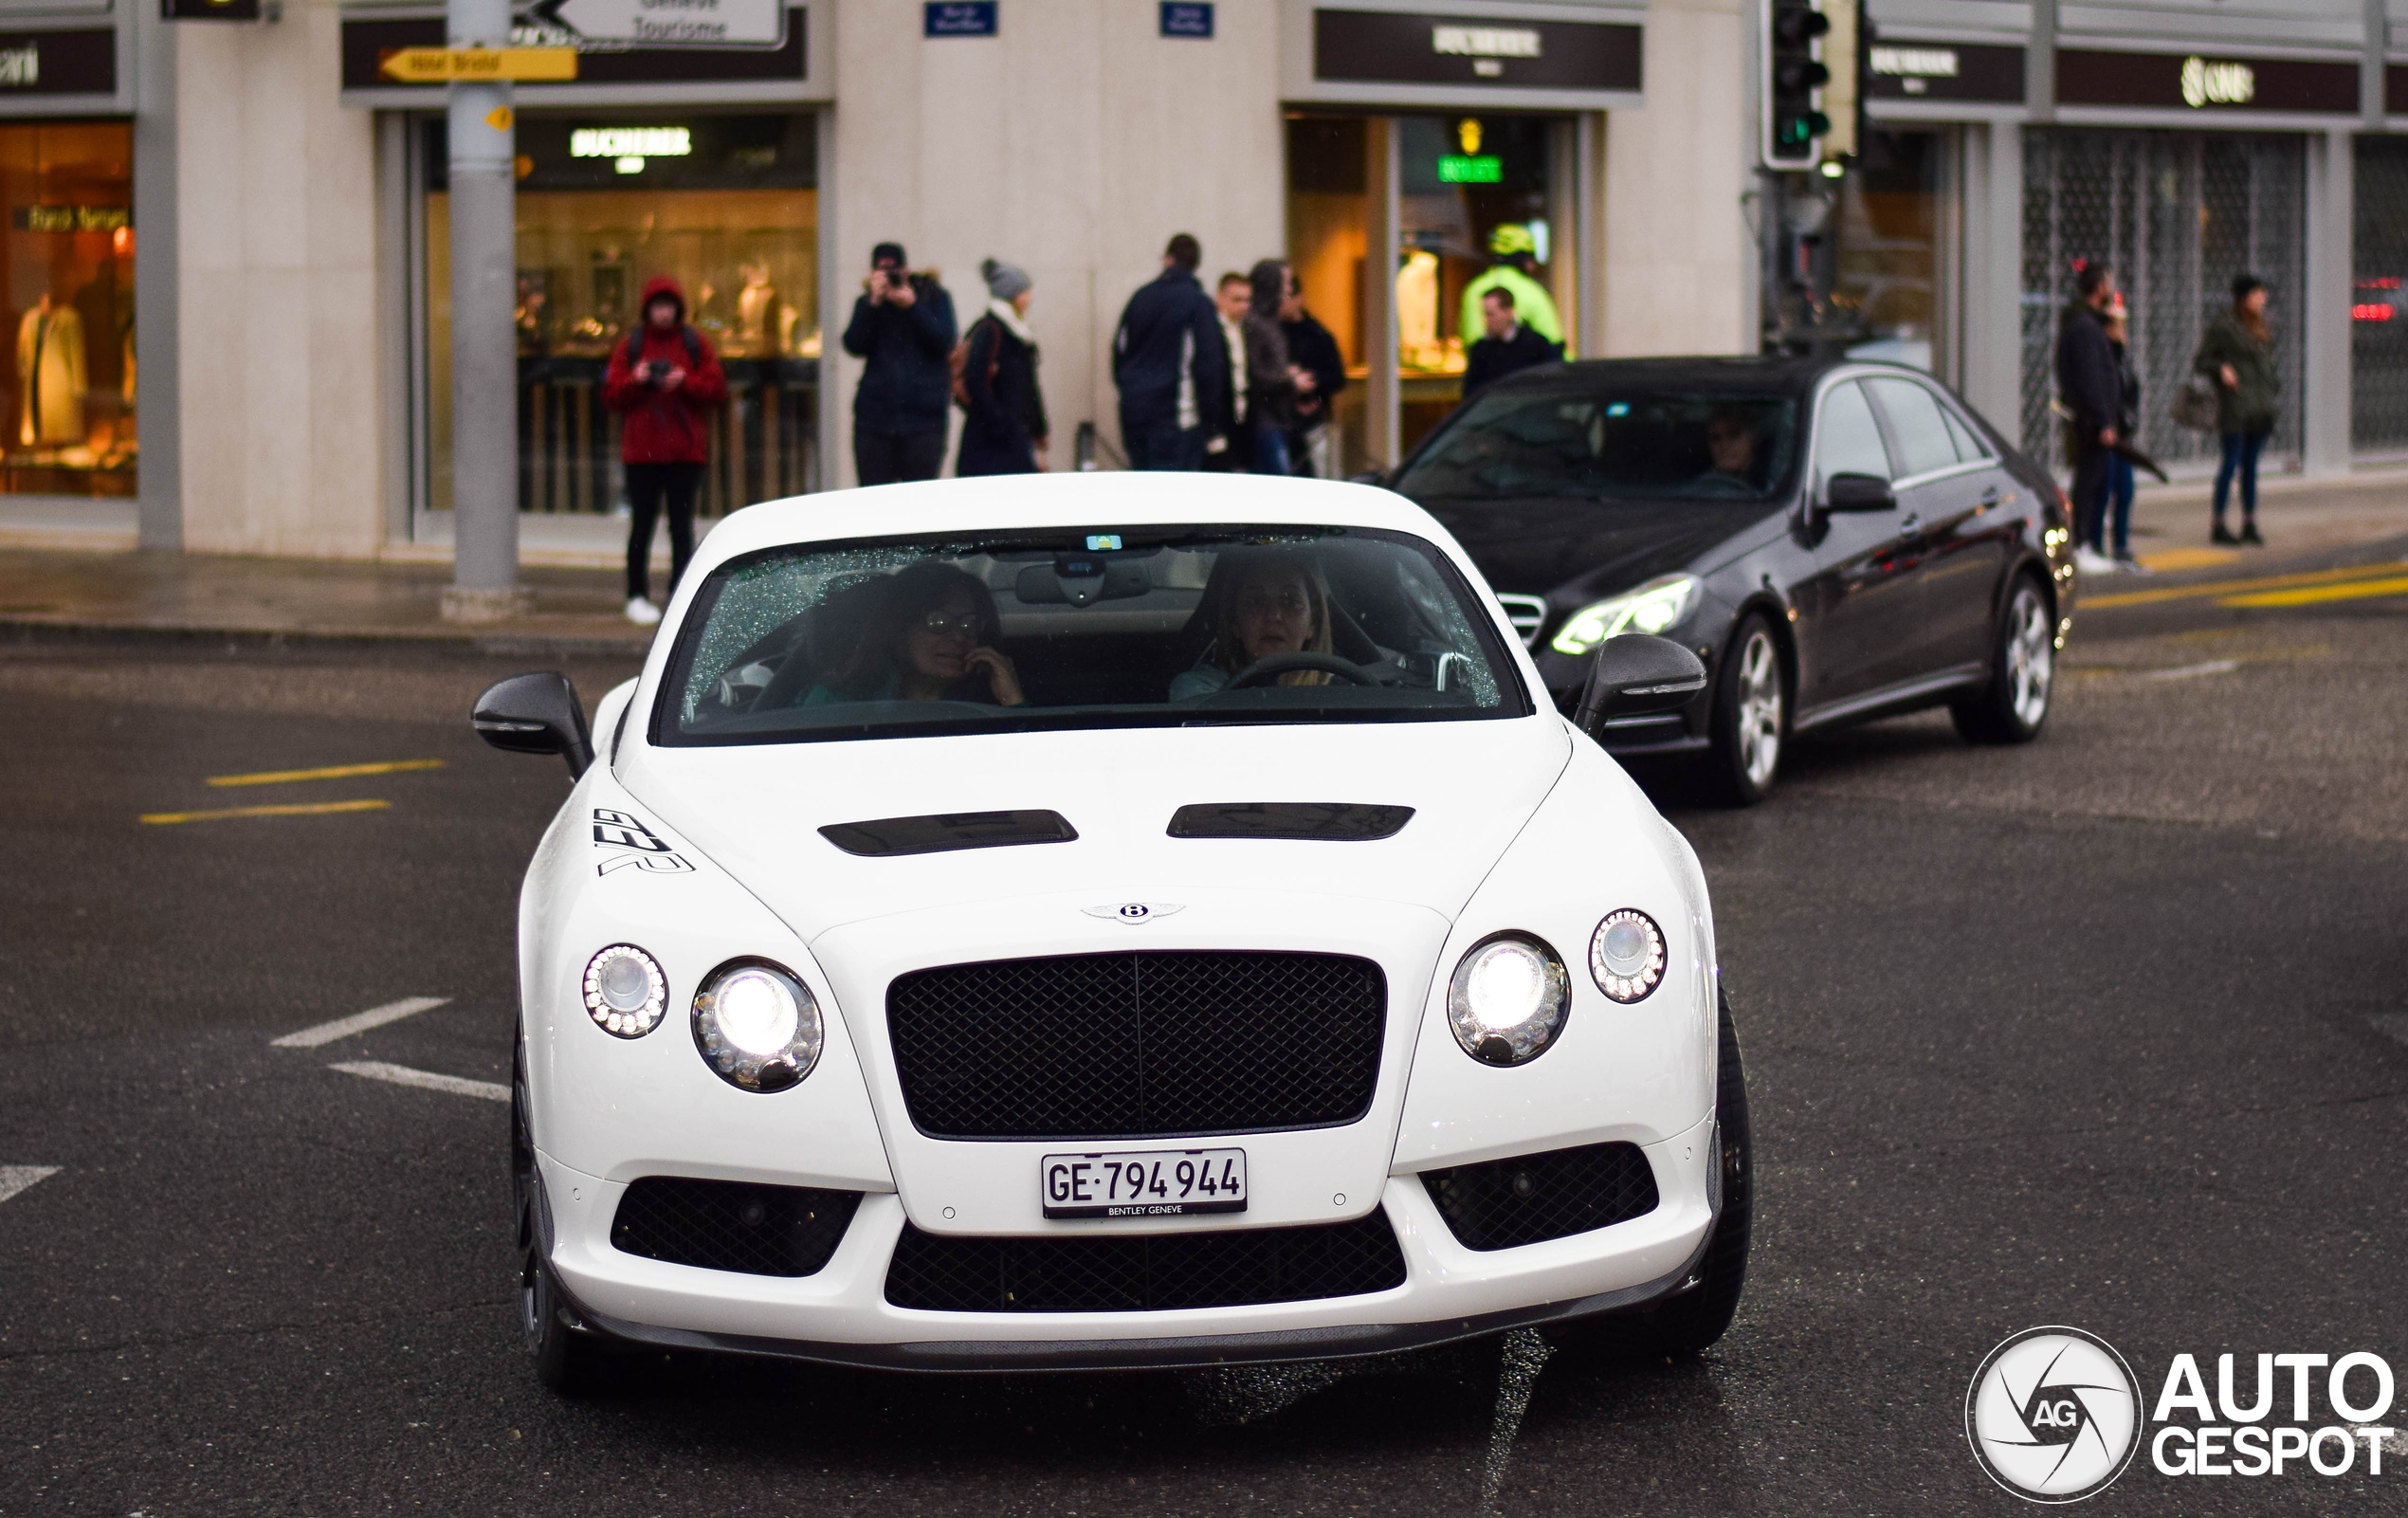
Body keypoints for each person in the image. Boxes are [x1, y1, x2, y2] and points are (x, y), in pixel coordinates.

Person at [603, 275, 728, 625]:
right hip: (640, 453)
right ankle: (636, 594)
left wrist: (685, 381)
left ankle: (680, 594)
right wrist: (636, 380)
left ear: (678, 309)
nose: (663, 313)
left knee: (681, 526)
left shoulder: (694, 343)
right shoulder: (632, 344)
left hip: (684, 453)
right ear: (647, 309)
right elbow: (611, 395)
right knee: (641, 525)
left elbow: (717, 389)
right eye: (657, 307)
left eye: (668, 306)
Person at [801, 561, 1025, 707]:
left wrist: (1013, 702)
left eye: (970, 624)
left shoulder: (990, 701)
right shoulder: (835, 703)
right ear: (899, 629)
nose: (959, 636)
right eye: (938, 621)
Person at [840, 242, 958, 486]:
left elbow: (945, 340)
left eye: (893, 271)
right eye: (881, 272)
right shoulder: (868, 304)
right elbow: (853, 345)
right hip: (875, 422)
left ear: (906, 270)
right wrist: (873, 303)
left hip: (924, 422)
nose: (889, 278)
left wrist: (913, 307)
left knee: (919, 500)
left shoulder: (933, 297)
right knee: (874, 500)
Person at [1112, 232, 1226, 471]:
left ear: (1167, 259)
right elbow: (1209, 364)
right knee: (1173, 496)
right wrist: (1212, 421)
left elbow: (1120, 348)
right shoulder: (1197, 303)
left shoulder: (1140, 297)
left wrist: (1127, 388)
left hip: (1133, 410)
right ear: (1196, 264)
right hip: (1175, 415)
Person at [1169, 549, 1337, 700]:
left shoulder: (1345, 692)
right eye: (1255, 602)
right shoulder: (1200, 690)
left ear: (1312, 624)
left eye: (1290, 602)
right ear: (1235, 622)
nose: (1273, 616)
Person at [2194, 273, 2278, 547]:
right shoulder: (2225, 327)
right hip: (2235, 407)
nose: (2262, 299)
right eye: (2257, 294)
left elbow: (2266, 365)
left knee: (2251, 468)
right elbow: (2202, 360)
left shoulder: (2260, 326)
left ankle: (2249, 521)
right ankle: (2218, 523)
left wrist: (2272, 390)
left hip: (2259, 406)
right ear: (2244, 298)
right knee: (2230, 464)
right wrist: (2221, 369)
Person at [2053, 261, 2121, 576]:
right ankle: (2080, 543)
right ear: (2099, 288)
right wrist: (2103, 419)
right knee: (2089, 482)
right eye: (2107, 283)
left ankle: (2087, 543)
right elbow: (2090, 377)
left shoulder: (2087, 325)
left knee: (2095, 480)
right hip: (2090, 422)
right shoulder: (2084, 327)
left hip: (2091, 419)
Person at [957, 259, 1049, 477]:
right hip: (990, 443)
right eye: (1024, 292)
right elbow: (975, 381)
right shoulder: (990, 330)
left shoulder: (1020, 334)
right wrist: (1001, 424)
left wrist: (1039, 430)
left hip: (1014, 437)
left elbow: (1029, 388)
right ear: (1011, 295)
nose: (1029, 299)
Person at [1279, 274, 1347, 478]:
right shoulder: (1273, 332)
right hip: (1282, 419)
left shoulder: (1318, 335)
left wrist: (1313, 381)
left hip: (1312, 421)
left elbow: (1337, 377)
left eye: (1286, 297)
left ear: (1298, 297)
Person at [1459, 225, 1563, 355]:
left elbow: (1468, 340)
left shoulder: (1473, 289)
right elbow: (1554, 342)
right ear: (1525, 260)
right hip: (1523, 372)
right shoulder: (1532, 291)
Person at [1242, 260, 1299, 475]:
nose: (1289, 290)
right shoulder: (1256, 323)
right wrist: (1289, 380)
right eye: (1285, 283)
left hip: (1279, 417)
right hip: (1265, 419)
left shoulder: (1271, 322)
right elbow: (1256, 372)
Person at [2102, 300, 2145, 572]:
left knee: (2126, 490)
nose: (2122, 330)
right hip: (2109, 432)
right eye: (2117, 325)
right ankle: (2094, 544)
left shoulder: (2121, 355)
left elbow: (2131, 389)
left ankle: (2121, 546)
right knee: (2105, 490)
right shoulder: (2104, 356)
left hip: (2123, 433)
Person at [1461, 287, 1562, 398]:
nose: (1486, 320)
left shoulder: (1534, 344)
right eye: (1484, 314)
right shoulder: (1480, 349)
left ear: (1508, 312)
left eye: (1490, 314)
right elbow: (1471, 389)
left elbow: (1550, 380)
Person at [1204, 271, 1251, 472]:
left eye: (1247, 300)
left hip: (1242, 418)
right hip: (1220, 422)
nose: (1244, 306)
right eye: (1237, 300)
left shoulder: (1244, 329)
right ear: (1219, 298)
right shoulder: (1211, 330)